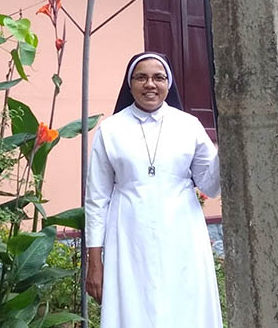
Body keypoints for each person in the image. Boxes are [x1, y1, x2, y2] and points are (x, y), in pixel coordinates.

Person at [85, 52, 222, 327]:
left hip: (182, 233)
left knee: (185, 306)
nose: (150, 84)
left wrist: (225, 152)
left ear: (168, 84)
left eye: (158, 77)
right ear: (130, 84)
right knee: (135, 308)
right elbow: (96, 200)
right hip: (128, 234)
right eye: (141, 77)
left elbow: (210, 186)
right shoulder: (110, 130)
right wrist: (94, 261)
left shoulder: (188, 125)